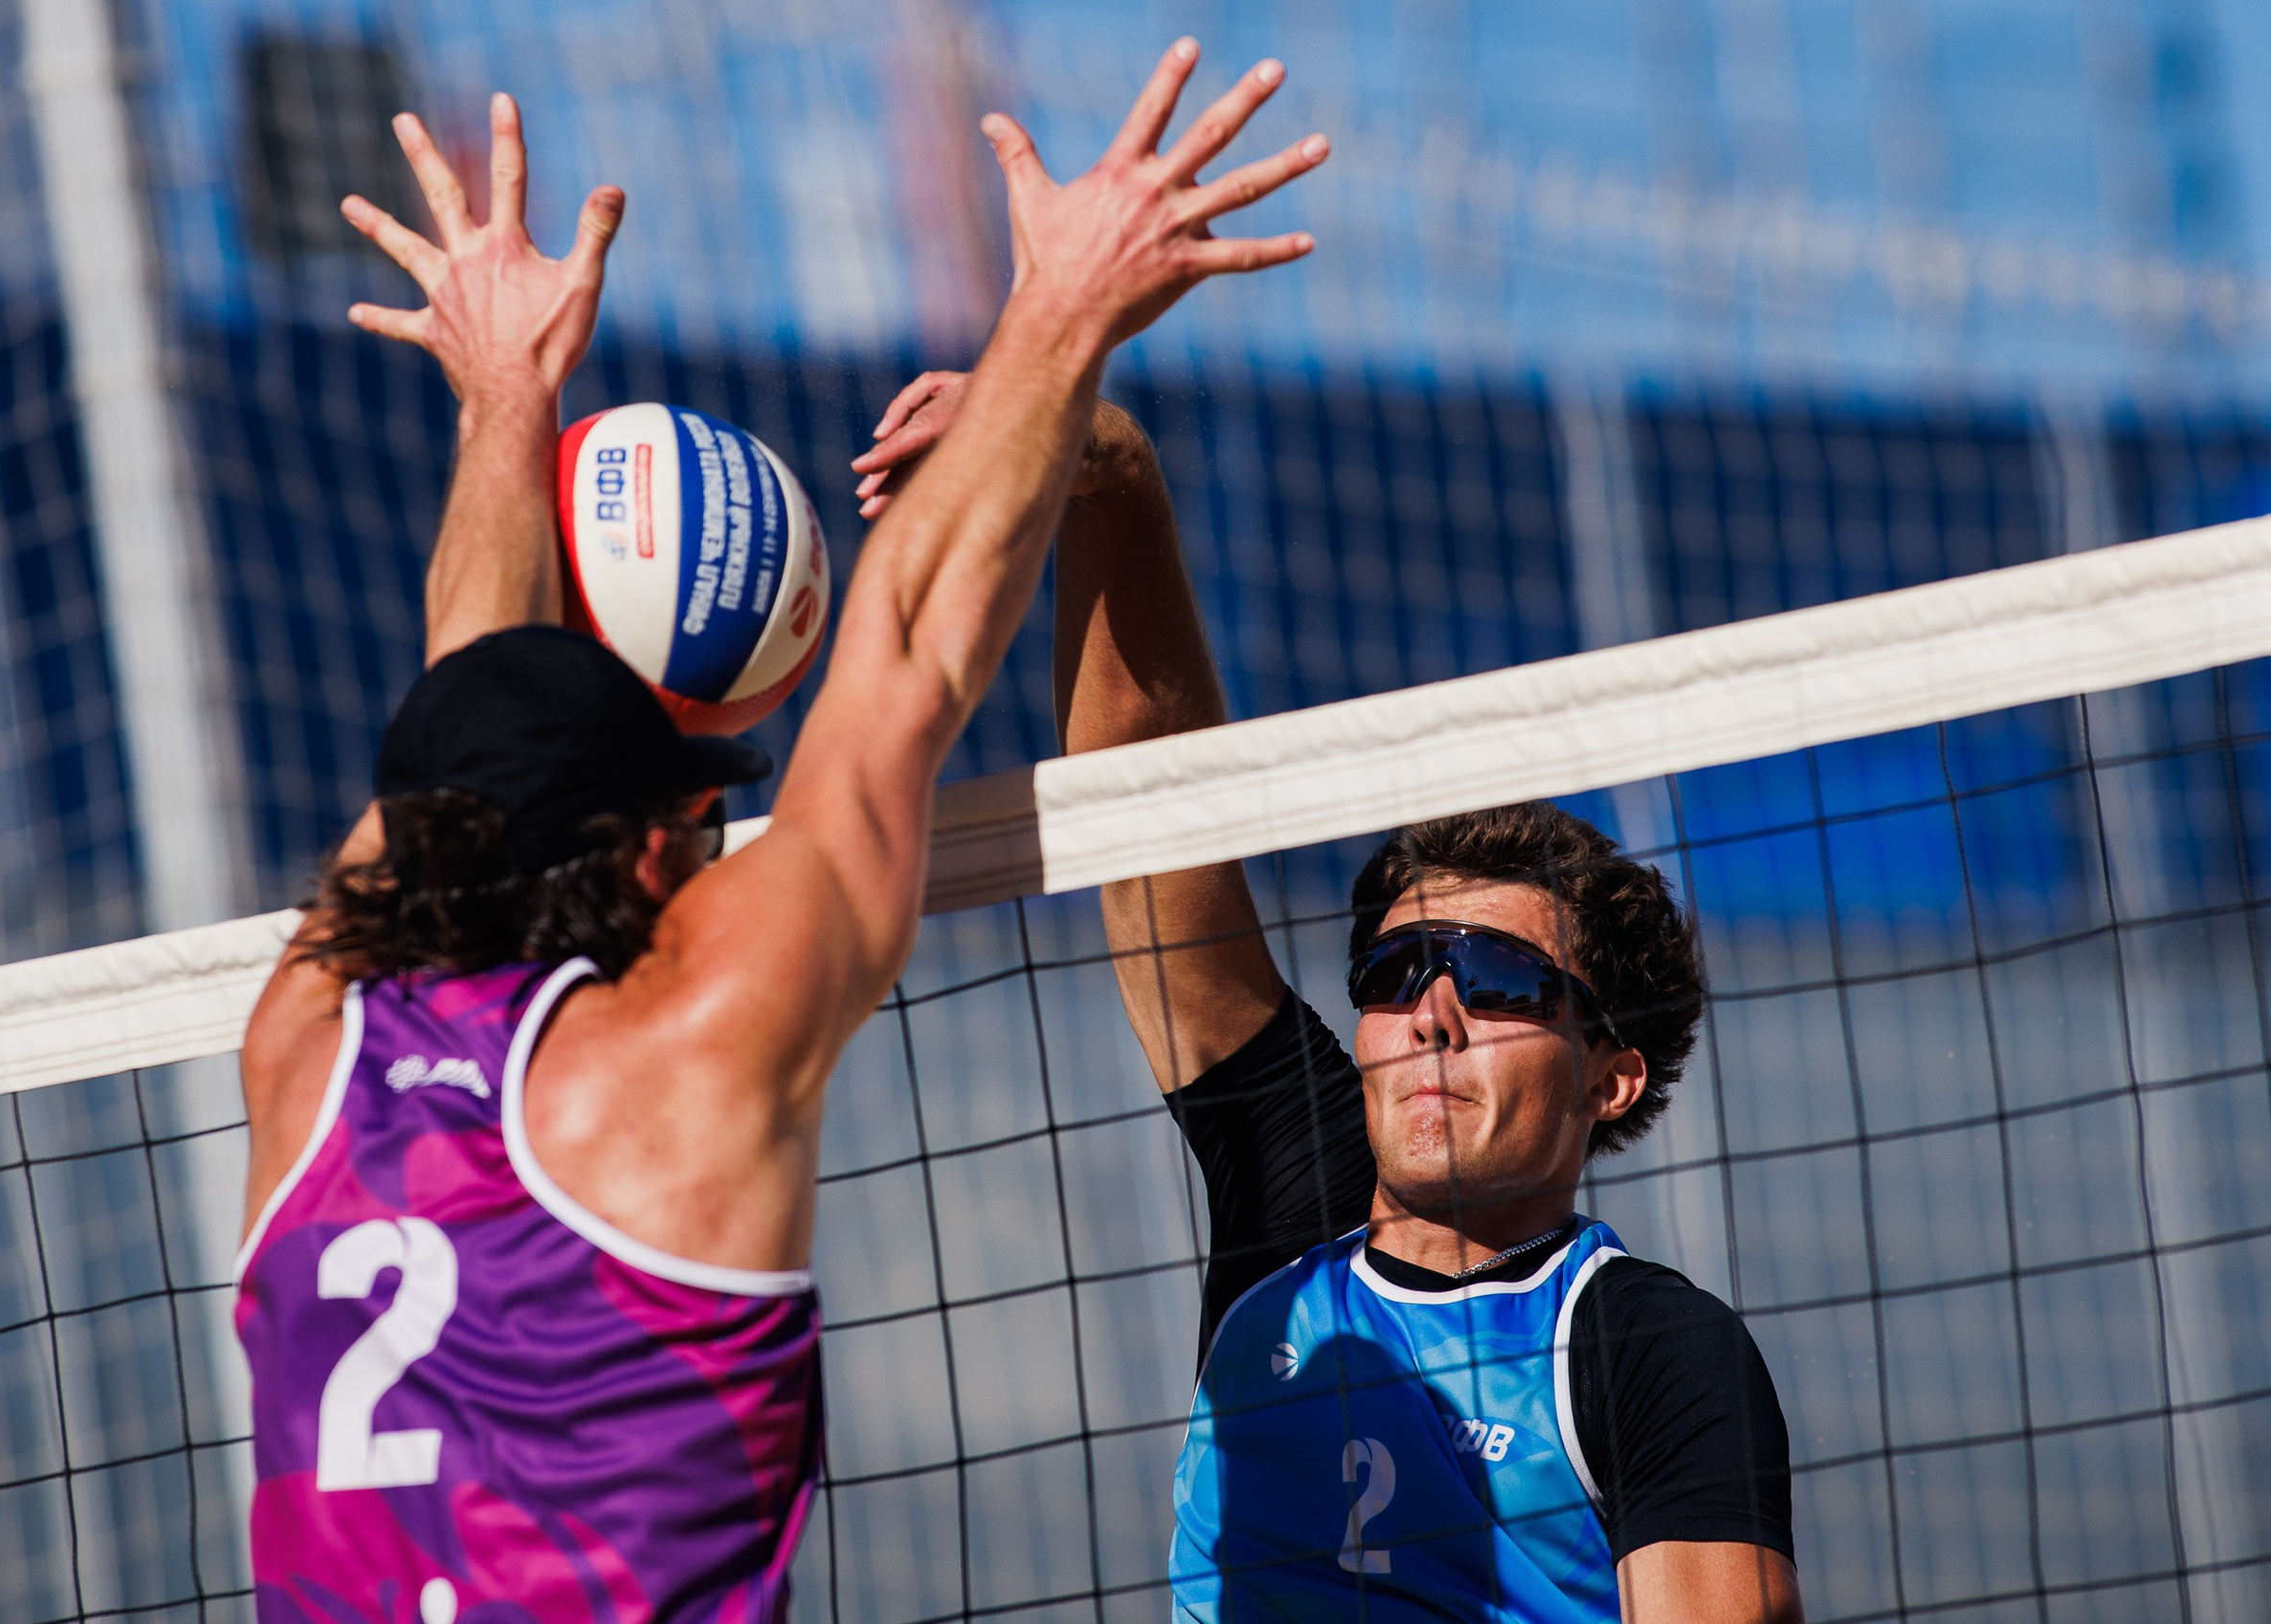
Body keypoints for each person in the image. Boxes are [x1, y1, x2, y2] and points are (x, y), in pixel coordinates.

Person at [235, 57, 1328, 1623]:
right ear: (648, 853)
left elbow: (462, 724)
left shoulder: (302, 1043)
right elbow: (907, 648)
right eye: (690, 815)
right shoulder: (694, 1050)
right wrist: (1065, 307)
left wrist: (504, 400)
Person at [853, 385, 1802, 1622]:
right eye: (1399, 973)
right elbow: (1145, 803)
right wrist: (1106, 467)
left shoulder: (1646, 1347)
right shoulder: (1297, 1205)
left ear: (1609, 1075)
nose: (1434, 1013)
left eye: (1500, 981)